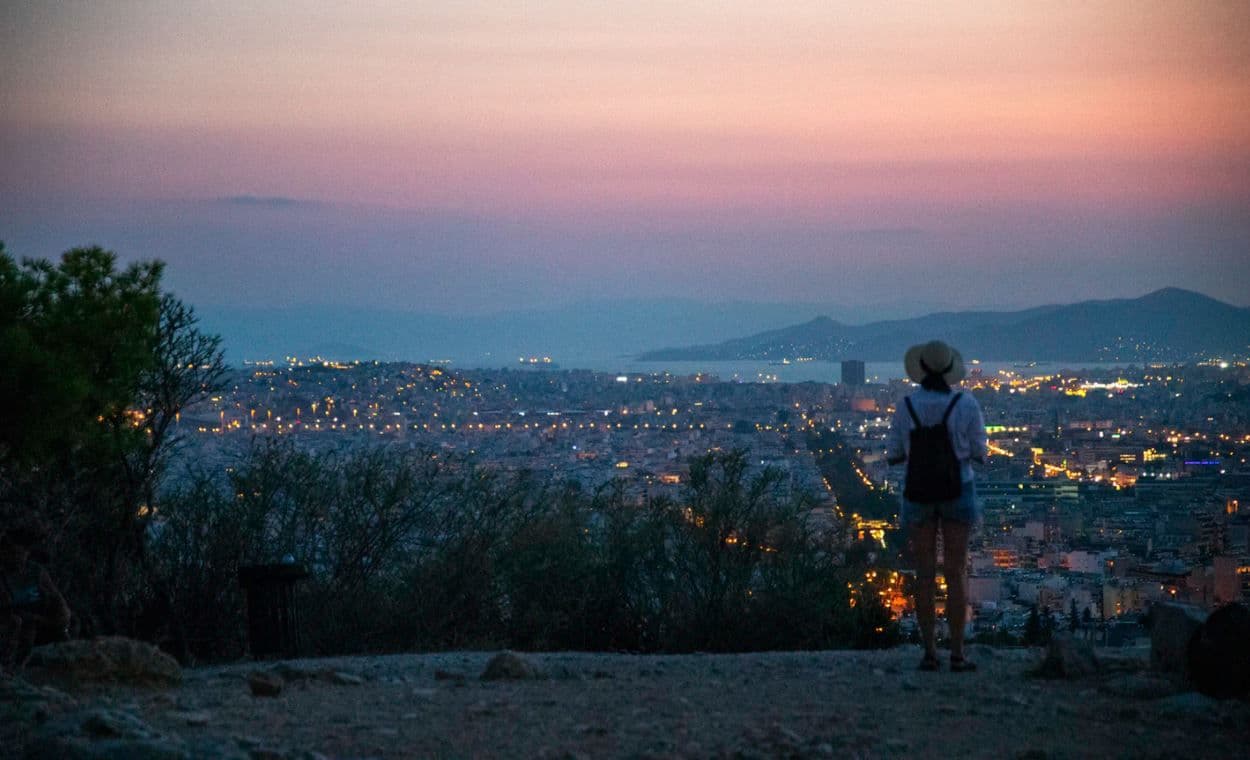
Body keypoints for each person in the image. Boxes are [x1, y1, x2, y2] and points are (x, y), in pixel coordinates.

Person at [885, 340, 987, 672]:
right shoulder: (966, 403)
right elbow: (980, 451)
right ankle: (957, 653)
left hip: (918, 490)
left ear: (921, 369)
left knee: (924, 573)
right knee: (956, 572)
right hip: (958, 488)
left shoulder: (906, 406)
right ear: (950, 370)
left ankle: (929, 652)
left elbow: (894, 453)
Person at [0, 517, 71, 674]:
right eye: (13, 552)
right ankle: (10, 668)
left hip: (38, 622)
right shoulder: (3, 575)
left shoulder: (36, 572)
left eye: (22, 551)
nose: (19, 556)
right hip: (13, 626)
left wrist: (55, 619)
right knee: (17, 623)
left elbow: (58, 602)